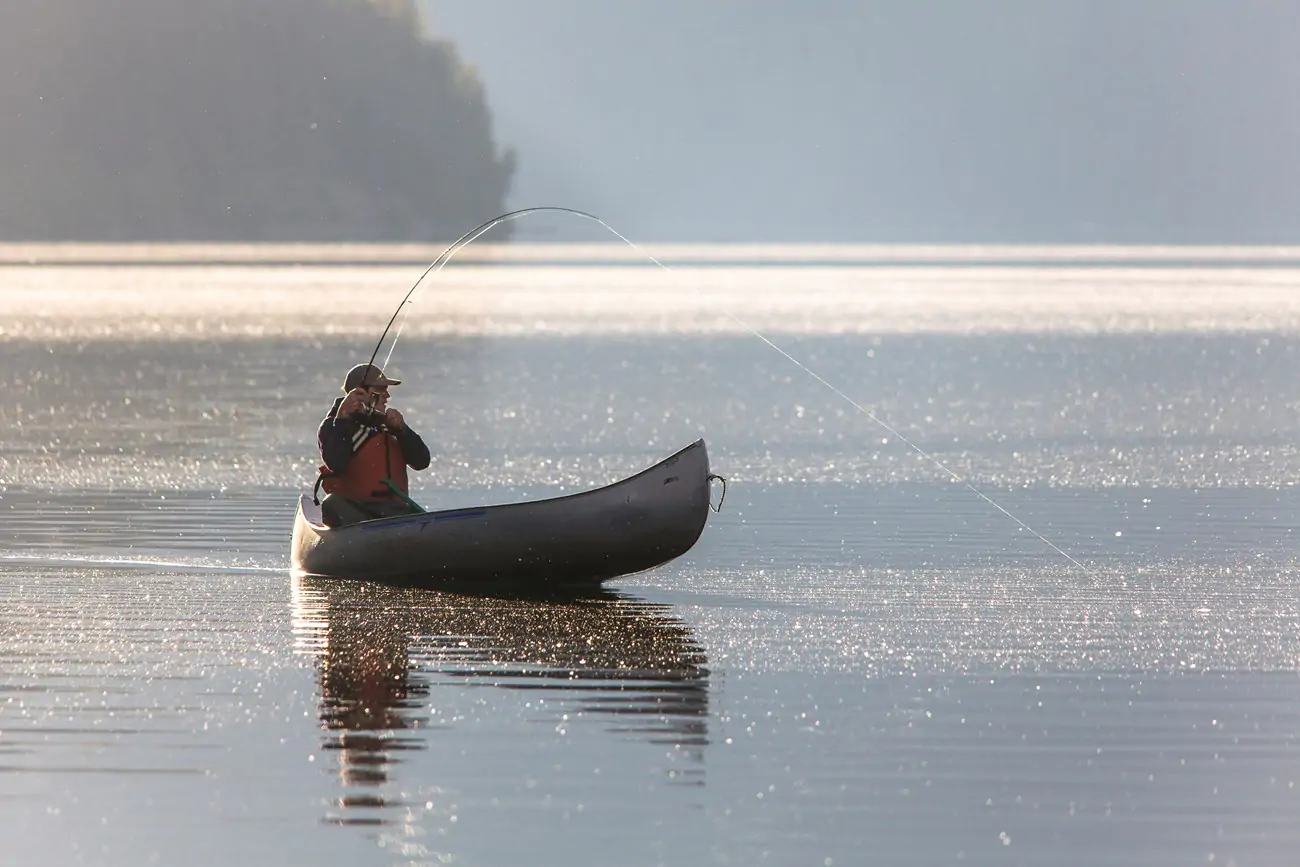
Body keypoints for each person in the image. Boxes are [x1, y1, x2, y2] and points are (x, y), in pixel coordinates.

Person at [315, 363, 431, 526]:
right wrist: (342, 418)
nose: (387, 396)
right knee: (332, 503)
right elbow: (337, 463)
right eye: (380, 390)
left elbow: (422, 462)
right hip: (358, 514)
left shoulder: (389, 425)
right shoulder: (334, 426)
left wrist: (403, 431)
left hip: (395, 513)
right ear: (359, 393)